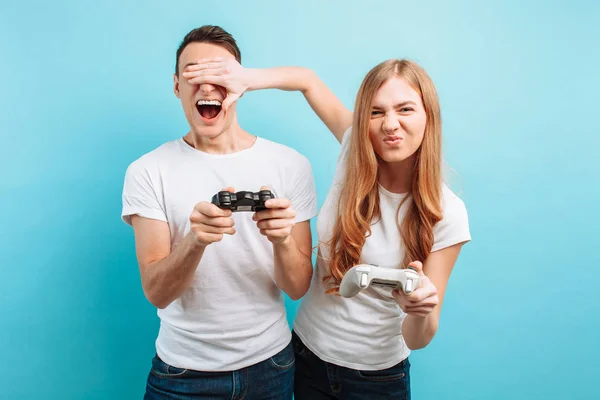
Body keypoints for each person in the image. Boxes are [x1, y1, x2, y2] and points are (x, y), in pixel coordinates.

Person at [182, 56, 471, 399]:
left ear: (429, 117)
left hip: (377, 380)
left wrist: (419, 311)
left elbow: (418, 338)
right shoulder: (354, 150)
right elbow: (306, 79)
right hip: (306, 358)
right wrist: (245, 79)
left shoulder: (448, 212)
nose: (389, 124)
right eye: (376, 112)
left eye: (405, 109)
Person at [121, 25, 318, 400]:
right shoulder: (147, 171)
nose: (207, 86)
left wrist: (280, 240)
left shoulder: (291, 165)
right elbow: (157, 293)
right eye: (195, 74)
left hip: (270, 366)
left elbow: (297, 287)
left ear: (240, 84)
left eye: (221, 75)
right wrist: (195, 241)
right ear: (177, 86)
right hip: (181, 372)